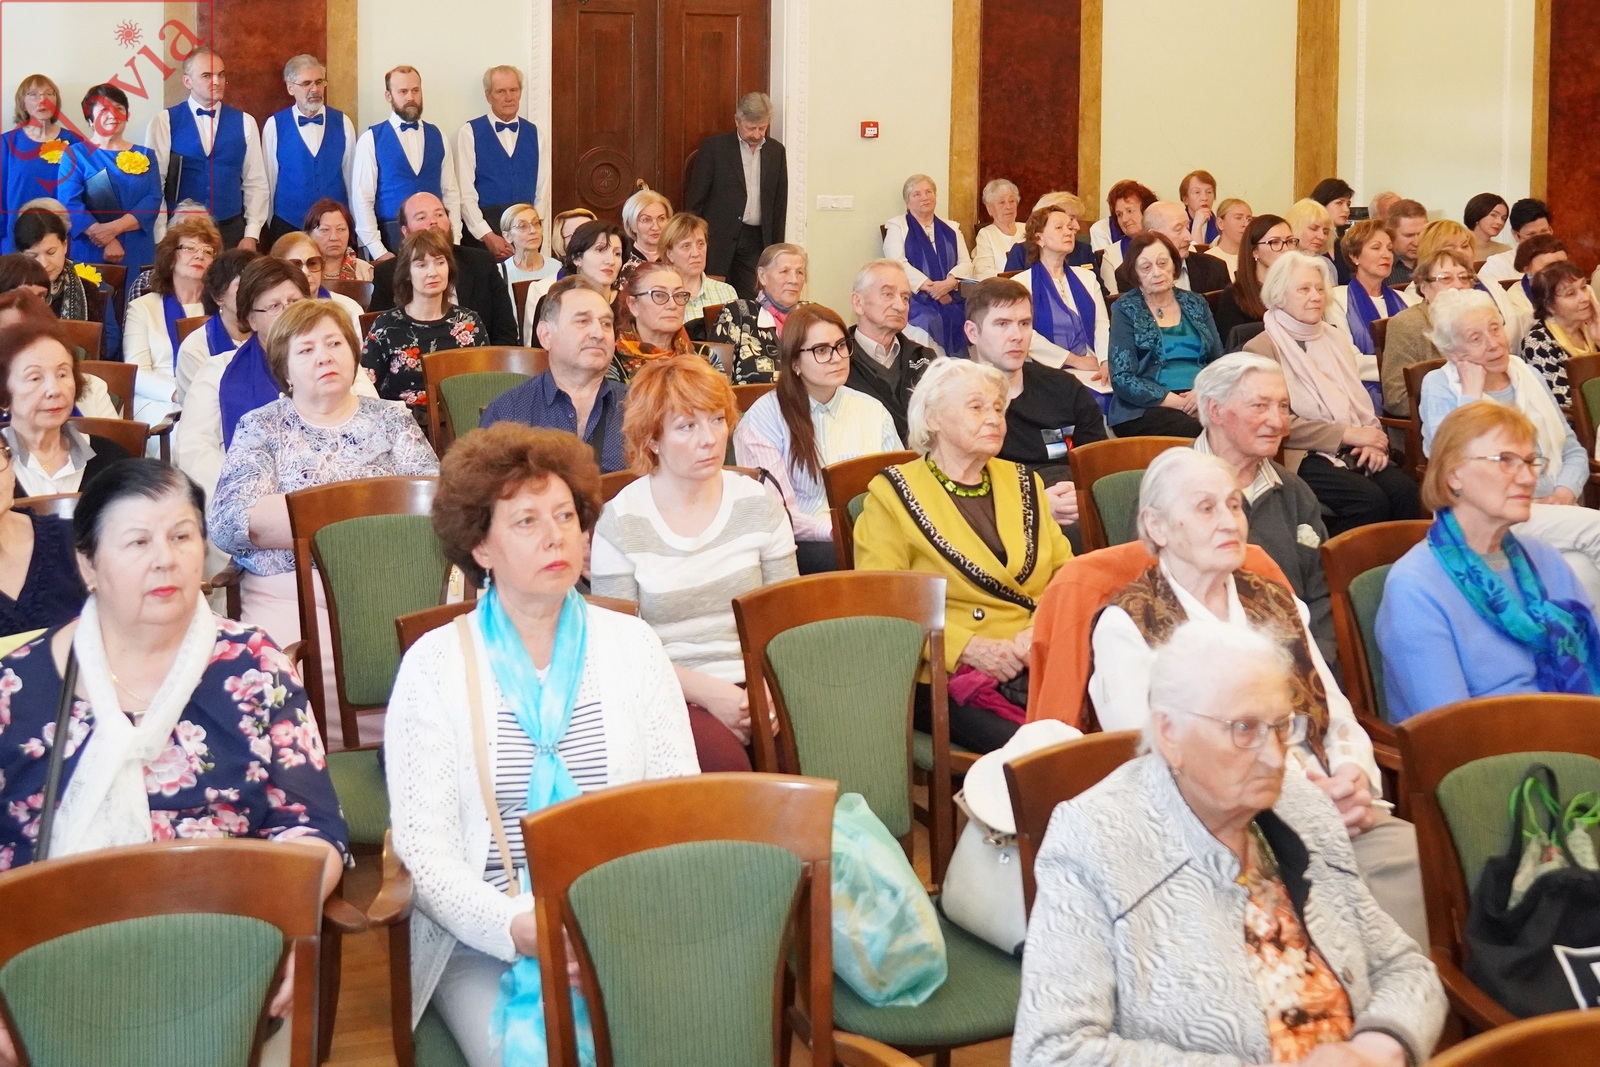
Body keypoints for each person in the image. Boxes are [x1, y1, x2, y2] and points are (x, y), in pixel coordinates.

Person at [384, 423, 697, 1067]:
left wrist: (612, 925)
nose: (556, 536)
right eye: (526, 521)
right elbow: (426, 854)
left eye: (565, 515)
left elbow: (678, 809)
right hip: (485, 937)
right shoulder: (434, 665)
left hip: (623, 921)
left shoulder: (633, 646)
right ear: (481, 545)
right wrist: (519, 927)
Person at [1018, 621, 1445, 1066]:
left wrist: (1373, 1048)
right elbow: (1052, 1052)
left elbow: (1404, 967)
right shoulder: (1093, 837)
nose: (1275, 757)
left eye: (1281, 726)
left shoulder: (1302, 807)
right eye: (1244, 728)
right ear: (1169, 733)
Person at [1089, 447, 1427, 943]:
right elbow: (1158, 770)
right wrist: (1306, 804)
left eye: (1233, 504)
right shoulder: (1129, 625)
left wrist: (1353, 775)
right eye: (1206, 508)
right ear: (1156, 526)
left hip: (1336, 812)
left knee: (1417, 867)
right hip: (1228, 842)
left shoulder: (1273, 599)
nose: (1230, 521)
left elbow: (1333, 713)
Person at [212, 299, 438, 745]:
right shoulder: (262, 427)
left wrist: (302, 516)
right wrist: (371, 510)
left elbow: (434, 505)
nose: (324, 356)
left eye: (335, 343)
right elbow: (230, 521)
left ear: (353, 354)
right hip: (290, 593)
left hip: (393, 587)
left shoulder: (392, 419)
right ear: (285, 369)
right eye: (306, 349)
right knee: (272, 673)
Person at [855, 358, 1075, 751]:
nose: (993, 419)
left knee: (1117, 719)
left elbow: (1067, 574)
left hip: (1037, 653)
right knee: (1043, 753)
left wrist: (1038, 631)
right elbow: (883, 603)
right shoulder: (892, 494)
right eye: (976, 407)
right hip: (950, 671)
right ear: (933, 419)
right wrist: (969, 648)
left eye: (998, 408)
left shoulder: (1023, 480)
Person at [593, 354, 796, 770]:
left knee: (809, 764)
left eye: (717, 420)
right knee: (726, 768)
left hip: (761, 679)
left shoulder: (758, 502)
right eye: (687, 426)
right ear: (652, 439)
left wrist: (768, 686)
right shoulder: (621, 520)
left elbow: (786, 620)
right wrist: (710, 693)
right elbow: (619, 649)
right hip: (671, 686)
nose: (710, 439)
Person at [1380, 402, 1600, 723]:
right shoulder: (1414, 587)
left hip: (1578, 727)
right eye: (1505, 460)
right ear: (1453, 475)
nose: (1527, 478)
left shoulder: (1544, 557)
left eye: (1530, 461)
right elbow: (1449, 730)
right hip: (1500, 748)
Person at [1418, 288, 1600, 602]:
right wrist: (1471, 396)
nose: (1493, 343)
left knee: (1581, 571)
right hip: (1487, 514)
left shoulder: (1527, 374)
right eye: (1476, 338)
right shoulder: (1439, 386)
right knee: (1597, 528)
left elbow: (1571, 449)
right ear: (1453, 353)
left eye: (1495, 328)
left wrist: (1564, 493)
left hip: (1555, 509)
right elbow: (1453, 466)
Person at [1244, 252, 1420, 533]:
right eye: (1304, 289)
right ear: (1279, 296)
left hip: (1354, 442)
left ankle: (1398, 561)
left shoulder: (1335, 337)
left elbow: (1356, 401)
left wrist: (1370, 440)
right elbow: (1273, 422)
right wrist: (1345, 434)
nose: (1315, 296)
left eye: (1319, 288)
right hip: (1301, 452)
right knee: (1368, 501)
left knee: (1405, 491)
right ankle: (1338, 561)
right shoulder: (1261, 348)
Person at [178, 259, 379, 503]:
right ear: (251, 319)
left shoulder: (335, 362)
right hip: (251, 501)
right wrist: (246, 495)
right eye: (274, 306)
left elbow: (373, 422)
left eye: (295, 302)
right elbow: (194, 449)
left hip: (341, 492)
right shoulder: (218, 372)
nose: (288, 313)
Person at [1193, 354, 1337, 665]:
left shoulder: (1293, 491)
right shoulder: (1171, 493)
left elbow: (1323, 593)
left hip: (1300, 663)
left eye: (1283, 406)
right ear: (1215, 410)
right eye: (1260, 406)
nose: (1278, 422)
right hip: (1210, 669)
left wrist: (1315, 662)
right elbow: (1153, 606)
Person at [734, 304, 899, 571]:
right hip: (807, 544)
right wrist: (837, 530)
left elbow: (899, 488)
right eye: (821, 350)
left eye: (841, 346)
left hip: (871, 533)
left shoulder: (872, 410)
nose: (837, 358)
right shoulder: (764, 418)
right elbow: (777, 513)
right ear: (795, 362)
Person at [963, 279, 1104, 523]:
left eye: (1024, 323)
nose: (1016, 336)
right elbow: (956, 489)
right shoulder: (957, 401)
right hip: (1001, 512)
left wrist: (1081, 495)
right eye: (1002, 324)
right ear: (973, 332)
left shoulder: (1064, 387)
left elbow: (1097, 461)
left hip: (1072, 497)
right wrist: (1033, 504)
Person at [482, 278, 626, 472]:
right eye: (582, 321)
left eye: (606, 323)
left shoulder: (642, 407)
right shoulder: (509, 413)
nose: (598, 333)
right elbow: (485, 486)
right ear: (545, 335)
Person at [142, 49, 267, 250]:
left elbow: (256, 182)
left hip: (232, 231)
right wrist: (161, 236)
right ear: (187, 81)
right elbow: (155, 183)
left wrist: (252, 234)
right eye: (207, 76)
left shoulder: (246, 122)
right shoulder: (164, 121)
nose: (217, 81)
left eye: (221, 74)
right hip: (181, 231)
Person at [1106, 231, 1223, 438]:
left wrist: (1201, 394)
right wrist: (1180, 403)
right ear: (1135, 273)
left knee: (1246, 421)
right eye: (1146, 267)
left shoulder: (1196, 302)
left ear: (1174, 264)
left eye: (1162, 263)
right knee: (1194, 429)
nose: (1157, 273)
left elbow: (1219, 362)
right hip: (1146, 407)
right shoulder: (1125, 308)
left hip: (1201, 396)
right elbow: (1122, 377)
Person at [362, 229, 486, 420]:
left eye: (440, 262)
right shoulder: (386, 326)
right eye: (421, 265)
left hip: (460, 422)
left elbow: (483, 385)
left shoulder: (470, 322)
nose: (433, 272)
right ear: (407, 273)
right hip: (402, 424)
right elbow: (367, 390)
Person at [0, 318, 130, 496]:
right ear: (4, 396)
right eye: (35, 378)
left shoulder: (111, 459)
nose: (54, 390)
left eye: (62, 374)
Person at [369, 191, 518, 345]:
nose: (433, 222)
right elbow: (378, 339)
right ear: (405, 231)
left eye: (439, 214)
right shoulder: (387, 274)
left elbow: (506, 333)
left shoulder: (481, 263)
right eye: (421, 217)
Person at [350, 66, 461, 259]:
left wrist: (455, 240)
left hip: (438, 240)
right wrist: (378, 251)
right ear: (388, 96)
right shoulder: (371, 140)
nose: (411, 97)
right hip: (390, 240)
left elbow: (451, 192)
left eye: (415, 90)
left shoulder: (438, 136)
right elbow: (362, 199)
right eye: (403, 91)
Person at [55, 84, 160, 286]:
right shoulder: (75, 154)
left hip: (136, 245)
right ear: (90, 119)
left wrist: (112, 230)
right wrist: (107, 239)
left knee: (137, 300)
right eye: (104, 110)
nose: (113, 115)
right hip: (91, 245)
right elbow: (69, 203)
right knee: (93, 301)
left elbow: (153, 200)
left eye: (119, 108)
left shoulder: (146, 154)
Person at [685, 92, 787, 300]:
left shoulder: (776, 152)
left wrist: (776, 250)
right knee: (713, 298)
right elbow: (696, 199)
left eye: (762, 128)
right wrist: (692, 239)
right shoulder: (714, 148)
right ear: (737, 120)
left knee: (750, 300)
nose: (757, 134)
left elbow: (779, 205)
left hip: (756, 241)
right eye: (751, 128)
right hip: (717, 239)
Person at [122, 217, 222, 425]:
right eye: (189, 248)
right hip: (158, 398)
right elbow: (136, 372)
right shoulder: (142, 307)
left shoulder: (222, 308)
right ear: (170, 258)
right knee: (188, 431)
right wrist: (181, 393)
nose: (199, 255)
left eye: (207, 251)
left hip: (213, 398)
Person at [261, 55, 354, 248]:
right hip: (288, 224)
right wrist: (269, 224)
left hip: (334, 229)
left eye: (319, 82)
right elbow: (268, 180)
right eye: (306, 83)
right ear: (290, 88)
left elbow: (352, 179)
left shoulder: (343, 123)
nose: (314, 89)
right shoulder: (274, 125)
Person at [1014, 203, 1109, 384]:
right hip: (1046, 370)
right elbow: (1025, 334)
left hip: (1093, 364)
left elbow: (1101, 324)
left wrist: (1105, 361)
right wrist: (1075, 361)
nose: (1069, 232)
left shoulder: (1087, 277)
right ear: (1039, 238)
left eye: (1070, 227)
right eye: (1059, 228)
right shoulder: (1020, 284)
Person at [456, 66, 543, 260]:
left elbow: (542, 192)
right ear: (488, 96)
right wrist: (486, 235)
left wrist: (534, 229)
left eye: (514, 90)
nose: (509, 97)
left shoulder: (535, 134)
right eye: (501, 91)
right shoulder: (469, 133)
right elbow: (465, 193)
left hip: (526, 229)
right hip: (484, 230)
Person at [845, 259, 937, 442]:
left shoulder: (925, 358)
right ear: (858, 302)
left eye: (905, 298)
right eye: (887, 294)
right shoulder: (837, 360)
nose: (900, 306)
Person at [1380, 247, 1478, 417]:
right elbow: (1396, 399)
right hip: (1435, 422)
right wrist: (1461, 402)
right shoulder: (1407, 324)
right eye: (1445, 278)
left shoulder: (1480, 319)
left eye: (1464, 277)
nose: (1458, 285)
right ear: (1424, 287)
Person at [883, 173, 972, 357]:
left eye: (928, 192)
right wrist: (933, 289)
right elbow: (897, 263)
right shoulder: (897, 226)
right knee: (929, 319)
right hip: (914, 297)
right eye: (917, 194)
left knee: (971, 315)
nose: (924, 197)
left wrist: (949, 283)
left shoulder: (952, 228)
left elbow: (966, 263)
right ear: (907, 202)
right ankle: (929, 369)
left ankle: (962, 371)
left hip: (950, 295)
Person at [1331, 218, 1416, 389]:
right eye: (1376, 247)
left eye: (1389, 249)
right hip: (1360, 391)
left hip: (1409, 389)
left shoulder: (1407, 300)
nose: (1386, 255)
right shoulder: (1336, 299)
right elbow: (1350, 360)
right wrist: (1404, 369)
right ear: (1354, 256)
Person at [1, 75, 80, 254]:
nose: (42, 100)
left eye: (49, 94)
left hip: (60, 240)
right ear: (22, 103)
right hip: (16, 240)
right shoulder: (6, 143)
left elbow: (81, 196)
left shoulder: (75, 142)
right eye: (33, 94)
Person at [710, 242, 805, 383]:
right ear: (762, 276)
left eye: (800, 272)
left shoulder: (811, 317)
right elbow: (716, 379)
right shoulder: (737, 314)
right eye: (784, 271)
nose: (794, 280)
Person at [173, 246, 257, 400]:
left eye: (258, 284)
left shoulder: (274, 337)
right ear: (218, 296)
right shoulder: (195, 349)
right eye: (242, 284)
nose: (254, 292)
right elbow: (203, 407)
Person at [521, 218, 624, 342]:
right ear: (577, 258)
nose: (611, 261)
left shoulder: (628, 303)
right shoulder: (555, 302)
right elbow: (541, 351)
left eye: (617, 254)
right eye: (600, 250)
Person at [610, 262, 707, 383]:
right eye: (659, 295)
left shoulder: (704, 356)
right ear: (633, 305)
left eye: (678, 295)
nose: (672, 305)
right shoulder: (610, 361)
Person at [1520, 260, 1600, 404]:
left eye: (1583, 287)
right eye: (1571, 294)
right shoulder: (1538, 343)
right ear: (1549, 305)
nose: (1585, 298)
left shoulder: (1593, 324)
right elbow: (1566, 402)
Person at [1212, 213, 1295, 343]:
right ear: (1254, 251)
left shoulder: (1298, 289)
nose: (1286, 249)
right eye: (1275, 242)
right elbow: (1234, 346)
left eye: (1290, 241)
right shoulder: (1234, 296)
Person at [271, 229, 365, 333]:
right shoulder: (270, 313)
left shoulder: (349, 309)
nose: (306, 272)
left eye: (312, 263)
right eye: (295, 265)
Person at [661, 212, 737, 337]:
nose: (696, 253)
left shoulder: (727, 292)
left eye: (701, 244)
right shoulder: (661, 296)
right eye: (686, 246)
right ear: (670, 254)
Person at [1138, 200, 1231, 293]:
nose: (1189, 237)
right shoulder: (1132, 277)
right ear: (1154, 235)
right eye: (1178, 229)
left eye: (1187, 227)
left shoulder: (1214, 268)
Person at [1500, 234, 1571, 343]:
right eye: (1549, 266)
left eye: (1564, 264)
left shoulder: (1582, 289)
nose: (1559, 272)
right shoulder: (1515, 299)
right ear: (1527, 269)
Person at [1092, 179, 1158, 289]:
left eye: (1130, 211)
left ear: (1147, 211)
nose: (1124, 219)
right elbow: (1113, 297)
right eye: (1119, 214)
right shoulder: (1111, 254)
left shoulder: (1170, 243)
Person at [1480, 197, 1553, 282]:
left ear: (1551, 230)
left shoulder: (1560, 260)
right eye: (1531, 234)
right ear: (1516, 235)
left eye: (1544, 232)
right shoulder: (1497, 265)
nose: (1539, 239)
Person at [497, 203, 559, 304]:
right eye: (522, 226)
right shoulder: (499, 273)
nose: (533, 231)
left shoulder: (558, 268)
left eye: (536, 223)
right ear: (508, 236)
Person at [304, 197, 371, 282]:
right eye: (325, 230)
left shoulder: (366, 272)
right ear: (308, 234)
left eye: (341, 229)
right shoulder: (300, 270)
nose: (334, 237)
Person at [971, 178, 1022, 279]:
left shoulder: (1028, 229)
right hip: (1003, 286)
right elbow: (982, 270)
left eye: (1012, 201)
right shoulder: (986, 234)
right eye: (1002, 202)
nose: (1009, 207)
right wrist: (1011, 277)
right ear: (989, 209)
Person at [620, 184, 671, 268]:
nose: (656, 227)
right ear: (632, 225)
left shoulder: (677, 259)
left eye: (661, 218)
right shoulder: (621, 262)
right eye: (646, 220)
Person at [1202, 197, 1251, 278]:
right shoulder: (1208, 259)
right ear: (1220, 223)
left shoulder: (1254, 257)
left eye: (1249, 219)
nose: (1246, 224)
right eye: (1238, 218)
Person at [1384, 198, 1428, 287]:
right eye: (1409, 235)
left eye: (1421, 234)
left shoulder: (1437, 263)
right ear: (1391, 234)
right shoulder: (1380, 267)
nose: (1416, 243)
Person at [1465, 192, 1511, 262]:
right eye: (1493, 215)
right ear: (1477, 214)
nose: (1500, 222)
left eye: (1503, 218)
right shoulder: (1455, 248)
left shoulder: (1505, 252)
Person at [1178, 169, 1218, 245]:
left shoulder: (1220, 226)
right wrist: (1197, 225)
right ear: (1185, 199)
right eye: (1197, 192)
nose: (1204, 198)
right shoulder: (1177, 227)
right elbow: (1193, 252)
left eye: (1209, 192)